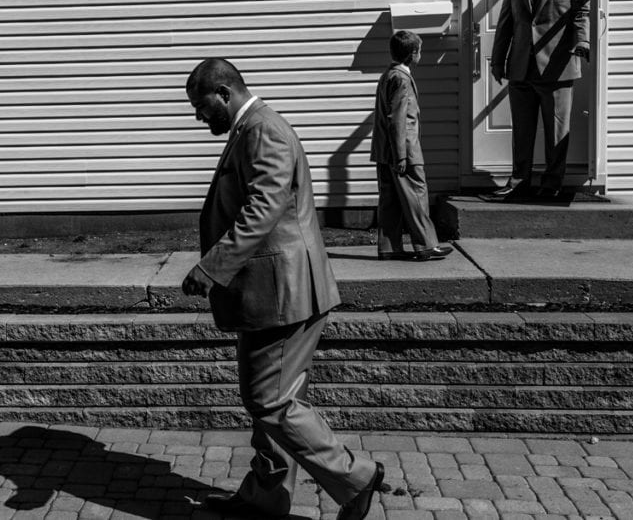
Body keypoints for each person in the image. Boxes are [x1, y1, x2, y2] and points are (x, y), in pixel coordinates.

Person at [182, 58, 384, 520]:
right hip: (271, 291)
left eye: (200, 106)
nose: (198, 116)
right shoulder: (249, 128)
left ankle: (356, 477)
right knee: (274, 397)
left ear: (224, 93)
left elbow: (263, 207)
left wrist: (212, 267)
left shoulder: (262, 130)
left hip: (283, 291)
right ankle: (265, 498)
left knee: (268, 399)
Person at [490, 0, 590, 200]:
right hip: (521, 68)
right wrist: (498, 61)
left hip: (557, 69)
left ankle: (551, 183)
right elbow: (505, 26)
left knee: (556, 131)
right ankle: (519, 180)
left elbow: (581, 14)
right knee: (522, 131)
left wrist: (583, 42)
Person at [371, 30, 452, 261]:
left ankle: (389, 247)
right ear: (413, 54)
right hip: (403, 149)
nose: (420, 54)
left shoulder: (388, 75)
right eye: (420, 51)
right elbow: (398, 118)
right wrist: (402, 156)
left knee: (391, 200)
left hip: (384, 150)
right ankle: (426, 245)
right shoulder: (402, 79)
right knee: (416, 194)